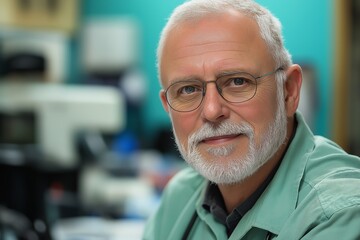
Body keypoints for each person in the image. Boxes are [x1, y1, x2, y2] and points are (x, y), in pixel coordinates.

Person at [143, 0, 360, 239]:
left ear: (288, 91)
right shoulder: (180, 196)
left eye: (238, 81)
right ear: (167, 106)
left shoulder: (341, 213)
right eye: (187, 90)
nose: (212, 111)